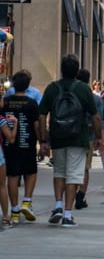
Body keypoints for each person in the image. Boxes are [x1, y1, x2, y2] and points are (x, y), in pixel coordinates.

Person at [37, 53, 104, 227]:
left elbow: (42, 114)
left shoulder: (52, 88)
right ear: (76, 71)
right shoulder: (83, 89)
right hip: (78, 138)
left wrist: (43, 140)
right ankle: (68, 214)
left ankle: (58, 205)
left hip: (58, 137)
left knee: (59, 171)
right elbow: (96, 116)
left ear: (61, 69)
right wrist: (98, 137)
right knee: (73, 175)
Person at [1, 70, 40, 225]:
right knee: (31, 172)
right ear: (28, 85)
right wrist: (42, 141)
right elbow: (37, 125)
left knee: (12, 176)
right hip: (27, 143)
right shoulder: (31, 103)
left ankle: (15, 210)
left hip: (8, 145)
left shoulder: (5, 101)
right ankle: (27, 201)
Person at [74, 68, 102, 209]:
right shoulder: (95, 99)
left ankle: (71, 194)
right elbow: (98, 118)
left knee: (72, 168)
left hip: (71, 135)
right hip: (88, 136)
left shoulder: (71, 95)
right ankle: (81, 195)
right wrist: (99, 138)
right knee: (85, 169)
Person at [0, 106, 15, 228]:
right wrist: (16, 123)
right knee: (1, 185)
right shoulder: (1, 120)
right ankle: (5, 217)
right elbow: (10, 138)